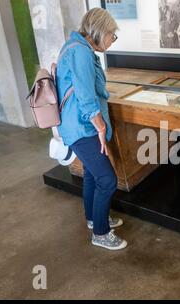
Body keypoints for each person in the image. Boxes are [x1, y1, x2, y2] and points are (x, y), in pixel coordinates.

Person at [56, 8, 127, 251]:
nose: (111, 41)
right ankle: (100, 233)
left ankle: (93, 219)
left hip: (78, 123)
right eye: (111, 36)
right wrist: (99, 126)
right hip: (83, 127)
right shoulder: (81, 53)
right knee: (107, 179)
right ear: (99, 31)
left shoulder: (76, 47)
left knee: (91, 174)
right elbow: (86, 97)